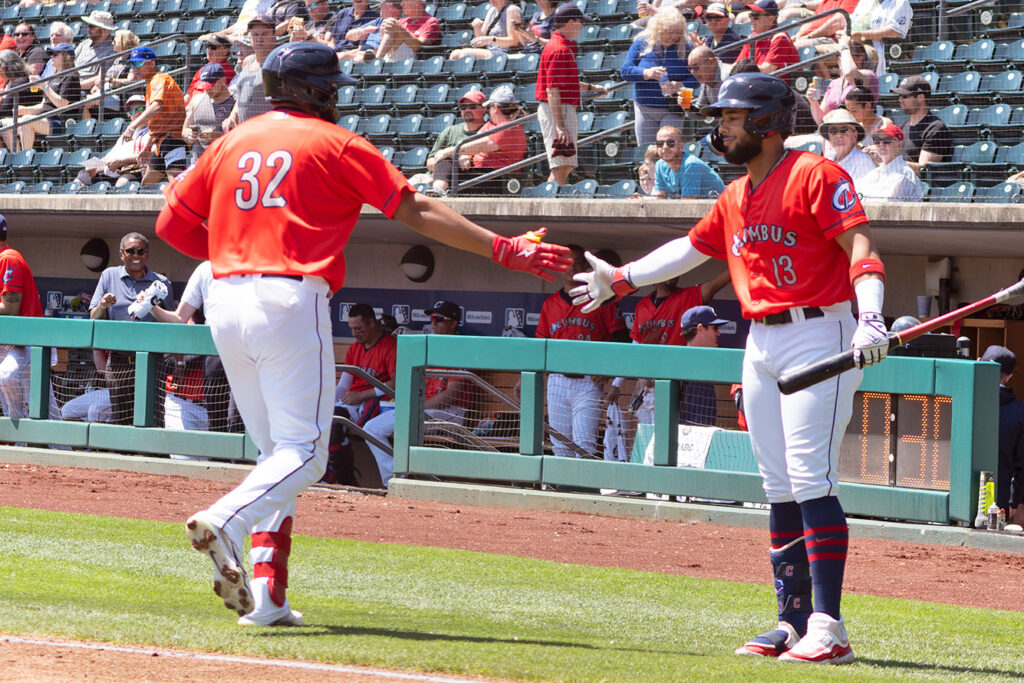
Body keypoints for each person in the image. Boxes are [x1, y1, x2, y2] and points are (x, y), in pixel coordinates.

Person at [155, 40, 572, 627]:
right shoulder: (335, 141)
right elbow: (416, 208)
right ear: (318, 91)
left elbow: (170, 222)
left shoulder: (228, 141)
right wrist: (505, 249)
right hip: (289, 296)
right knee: (305, 457)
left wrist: (232, 254)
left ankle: (269, 596)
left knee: (277, 457)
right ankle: (226, 518)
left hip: (224, 296)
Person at [571, 72, 888, 664]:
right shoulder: (736, 194)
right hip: (760, 339)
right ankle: (791, 624)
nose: (722, 126)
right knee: (777, 487)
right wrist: (622, 278)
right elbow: (689, 250)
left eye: (735, 117)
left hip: (822, 331)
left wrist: (871, 317)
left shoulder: (818, 175)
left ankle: (830, 627)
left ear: (768, 123)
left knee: (811, 478)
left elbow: (862, 248)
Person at [362, 300, 469, 486]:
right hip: (426, 411)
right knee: (371, 428)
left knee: (394, 428)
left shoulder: (462, 349)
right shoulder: (431, 347)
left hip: (450, 412)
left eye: (439, 319)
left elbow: (449, 396)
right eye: (431, 319)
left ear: (453, 323)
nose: (433, 323)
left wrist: (415, 408)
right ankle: (396, 479)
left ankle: (397, 480)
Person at [536, 244, 628, 459]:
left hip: (588, 382)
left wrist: (608, 370)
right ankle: (561, 491)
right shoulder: (550, 305)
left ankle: (581, 491)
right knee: (560, 446)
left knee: (584, 444)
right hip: (557, 380)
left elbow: (622, 341)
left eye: (576, 262)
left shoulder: (601, 300)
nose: (571, 267)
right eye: (566, 262)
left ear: (585, 267)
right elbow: (540, 345)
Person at [89, 233, 176, 427]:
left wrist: (152, 307)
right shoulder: (109, 275)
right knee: (121, 420)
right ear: (121, 254)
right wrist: (103, 305)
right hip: (119, 361)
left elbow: (173, 323)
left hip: (153, 361)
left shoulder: (161, 284)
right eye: (130, 251)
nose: (136, 255)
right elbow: (93, 317)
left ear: (147, 254)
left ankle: (148, 456)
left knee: (152, 419)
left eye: (141, 251)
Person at [149, 260, 235, 435]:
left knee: (238, 421)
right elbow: (179, 318)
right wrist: (151, 306)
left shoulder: (257, 267)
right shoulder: (205, 269)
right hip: (190, 395)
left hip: (248, 353)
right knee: (217, 426)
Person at [536, 2, 607, 185]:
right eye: (579, 21)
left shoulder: (561, 45)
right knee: (561, 165)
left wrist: (591, 88)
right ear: (570, 22)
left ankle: (552, 197)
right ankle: (553, 204)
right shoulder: (558, 48)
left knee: (565, 164)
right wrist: (560, 125)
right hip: (558, 110)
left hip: (560, 109)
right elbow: (552, 90)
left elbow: (564, 81)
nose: (582, 26)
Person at [0, 214, 60, 422]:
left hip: (28, 343)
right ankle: (23, 447)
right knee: (41, 409)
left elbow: (9, 309)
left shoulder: (8, 258)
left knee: (8, 379)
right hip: (9, 343)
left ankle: (33, 445)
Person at [429, 84, 528, 196]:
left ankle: (438, 190)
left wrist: (448, 151)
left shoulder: (510, 128)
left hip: (496, 179)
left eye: (489, 107)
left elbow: (480, 146)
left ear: (495, 109)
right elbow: (471, 145)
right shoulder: (490, 125)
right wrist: (465, 157)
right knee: (449, 162)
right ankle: (438, 189)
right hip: (479, 174)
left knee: (447, 160)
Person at [620, 7, 699, 146]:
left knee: (668, 148)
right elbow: (625, 71)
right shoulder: (641, 42)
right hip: (645, 106)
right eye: (668, 33)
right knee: (647, 152)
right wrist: (646, 73)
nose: (673, 37)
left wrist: (679, 84)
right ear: (658, 30)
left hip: (673, 108)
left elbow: (698, 77)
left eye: (677, 33)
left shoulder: (686, 46)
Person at [123, 46, 188, 186]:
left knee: (178, 186)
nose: (135, 68)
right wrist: (147, 149)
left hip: (173, 139)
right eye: (133, 64)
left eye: (139, 63)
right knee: (146, 185)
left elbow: (156, 107)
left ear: (152, 63)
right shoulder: (150, 85)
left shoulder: (160, 79)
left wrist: (132, 126)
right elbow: (157, 122)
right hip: (161, 142)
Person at [979, 345, 1024, 526]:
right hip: (998, 499)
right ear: (1009, 376)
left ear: (979, 363)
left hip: (955, 493)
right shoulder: (1020, 412)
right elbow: (1022, 464)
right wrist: (1017, 502)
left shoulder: (958, 398)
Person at [335, 303, 397, 426]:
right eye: (351, 329)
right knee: (321, 414)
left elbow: (396, 383)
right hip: (352, 401)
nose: (354, 334)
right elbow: (343, 386)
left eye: (358, 329)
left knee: (336, 420)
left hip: (373, 403)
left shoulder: (391, 346)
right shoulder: (354, 348)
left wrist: (361, 395)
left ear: (372, 323)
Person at [13, 42, 80, 151]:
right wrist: (25, 109)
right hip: (46, 118)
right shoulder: (54, 77)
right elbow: (44, 105)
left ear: (66, 56)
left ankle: (26, 161)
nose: (51, 57)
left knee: (26, 121)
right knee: (5, 125)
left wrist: (44, 87)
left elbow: (62, 104)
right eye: (51, 54)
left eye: (55, 54)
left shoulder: (70, 76)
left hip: (60, 121)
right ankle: (17, 158)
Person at [77, 94, 151, 187]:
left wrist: (121, 161)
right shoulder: (127, 133)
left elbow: (147, 156)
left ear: (148, 110)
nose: (137, 113)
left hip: (134, 171)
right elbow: (110, 156)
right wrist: (94, 165)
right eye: (132, 111)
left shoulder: (152, 131)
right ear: (130, 116)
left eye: (140, 109)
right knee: (82, 175)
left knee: (123, 182)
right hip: (113, 171)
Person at [677, 304, 731, 425]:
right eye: (714, 328)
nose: (718, 333)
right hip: (684, 438)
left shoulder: (703, 363)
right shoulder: (680, 366)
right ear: (700, 329)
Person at [805, 35, 878, 126]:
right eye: (840, 55)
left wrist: (844, 47)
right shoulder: (833, 83)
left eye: (847, 55)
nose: (841, 59)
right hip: (836, 133)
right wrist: (813, 102)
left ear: (860, 58)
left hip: (859, 131)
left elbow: (849, 73)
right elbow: (821, 121)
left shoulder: (868, 75)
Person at [426, 88, 488, 195]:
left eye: (472, 106)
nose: (467, 110)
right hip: (433, 177)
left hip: (466, 181)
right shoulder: (450, 131)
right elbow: (430, 163)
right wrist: (455, 162)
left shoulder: (489, 131)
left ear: (484, 109)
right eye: (463, 107)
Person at [224, 14, 278, 128]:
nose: (259, 39)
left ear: (274, 35)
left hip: (270, 131)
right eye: (255, 34)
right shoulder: (247, 62)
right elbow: (242, 95)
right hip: (246, 132)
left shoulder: (279, 62)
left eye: (264, 34)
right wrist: (233, 115)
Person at [894, 74, 951, 177]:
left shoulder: (935, 128)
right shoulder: (900, 127)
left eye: (905, 96)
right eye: (899, 96)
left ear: (920, 98)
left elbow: (923, 171)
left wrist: (891, 164)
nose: (900, 99)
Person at [651, 124, 726, 198]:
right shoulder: (659, 165)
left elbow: (688, 205)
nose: (664, 147)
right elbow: (659, 198)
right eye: (660, 144)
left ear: (681, 146)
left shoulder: (691, 165)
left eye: (670, 143)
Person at [182, 63, 235, 163]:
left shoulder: (236, 102)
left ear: (223, 80)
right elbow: (184, 130)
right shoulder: (197, 100)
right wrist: (188, 135)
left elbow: (242, 137)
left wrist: (218, 136)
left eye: (212, 85)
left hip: (224, 164)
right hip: (199, 165)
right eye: (205, 86)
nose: (208, 89)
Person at [858, 122, 922, 201]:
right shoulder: (874, 173)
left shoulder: (904, 174)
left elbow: (888, 206)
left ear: (899, 144)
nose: (881, 144)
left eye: (886, 140)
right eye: (877, 140)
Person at [735, 0, 798, 81]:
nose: (751, 20)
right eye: (750, 15)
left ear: (771, 19)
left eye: (755, 16)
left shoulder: (779, 38)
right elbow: (737, 65)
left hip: (782, 88)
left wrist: (744, 68)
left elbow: (767, 70)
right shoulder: (752, 38)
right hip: (760, 85)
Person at [848, 0, 911, 76]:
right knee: (832, 52)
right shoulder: (864, 2)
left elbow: (894, 31)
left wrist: (862, 35)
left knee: (844, 54)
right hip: (852, 43)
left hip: (876, 48)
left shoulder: (900, 2)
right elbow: (850, 23)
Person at [448, 0, 524, 61]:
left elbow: (514, 41)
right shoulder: (492, 11)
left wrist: (491, 39)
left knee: (463, 54)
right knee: (455, 53)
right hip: (491, 51)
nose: (491, 1)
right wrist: (476, 27)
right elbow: (481, 40)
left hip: (505, 53)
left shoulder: (512, 10)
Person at [818, 108, 874, 185]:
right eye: (833, 131)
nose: (838, 135)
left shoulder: (862, 160)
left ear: (855, 135)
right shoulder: (828, 159)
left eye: (844, 130)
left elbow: (862, 194)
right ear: (829, 137)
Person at [375, 0, 441, 62]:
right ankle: (376, 62)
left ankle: (376, 62)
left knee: (392, 25)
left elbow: (420, 47)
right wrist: (383, 29)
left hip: (414, 58)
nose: (401, 4)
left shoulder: (431, 22)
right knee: (389, 24)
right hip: (394, 53)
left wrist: (400, 30)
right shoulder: (402, 21)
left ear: (416, 2)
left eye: (405, 0)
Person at [185, 34, 236, 104]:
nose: (209, 50)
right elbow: (189, 95)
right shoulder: (202, 69)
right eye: (207, 46)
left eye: (213, 47)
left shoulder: (226, 71)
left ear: (225, 51)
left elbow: (214, 98)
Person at [74, 10, 116, 94]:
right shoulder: (84, 44)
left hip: (83, 91)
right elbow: (69, 65)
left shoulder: (112, 49)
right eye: (88, 25)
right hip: (69, 84)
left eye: (91, 26)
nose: (88, 29)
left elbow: (100, 78)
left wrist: (73, 87)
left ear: (104, 29)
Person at [792, 0, 859, 48]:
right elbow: (814, 18)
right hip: (810, 35)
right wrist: (799, 34)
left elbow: (837, 23)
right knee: (787, 43)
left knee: (797, 46)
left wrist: (809, 36)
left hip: (830, 38)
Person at [688, 44, 723, 113]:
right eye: (690, 68)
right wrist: (687, 106)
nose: (692, 72)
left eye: (696, 67)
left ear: (711, 62)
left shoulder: (728, 77)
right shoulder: (706, 82)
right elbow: (700, 113)